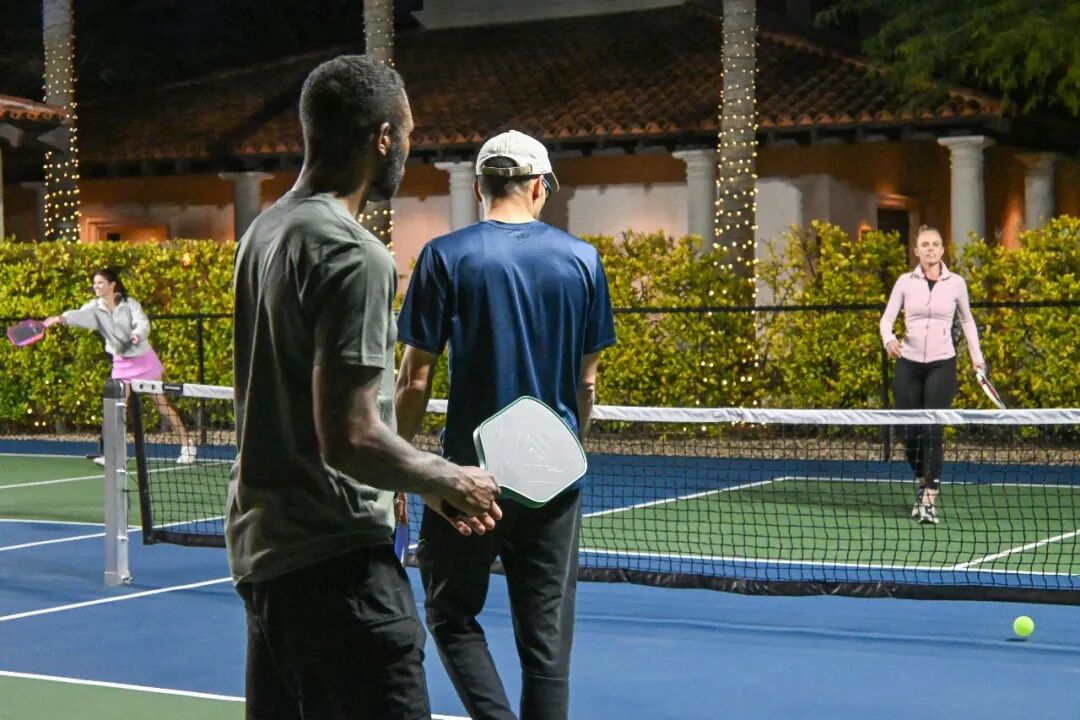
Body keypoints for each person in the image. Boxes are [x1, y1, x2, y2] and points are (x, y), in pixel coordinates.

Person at [227, 55, 501, 720]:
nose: (409, 147)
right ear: (382, 138)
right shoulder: (352, 252)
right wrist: (447, 478)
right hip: (339, 568)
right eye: (407, 134)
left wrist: (414, 480)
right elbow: (349, 436)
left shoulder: (264, 233)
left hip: (268, 562)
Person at [395, 129, 617, 720]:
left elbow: (413, 379)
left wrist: (401, 469)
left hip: (466, 480)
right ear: (539, 187)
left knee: (450, 613)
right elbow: (586, 385)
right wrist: (566, 450)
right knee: (547, 648)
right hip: (554, 481)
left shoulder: (444, 255)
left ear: (478, 188)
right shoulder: (583, 260)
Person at [880, 226, 986, 525]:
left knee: (933, 430)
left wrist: (977, 357)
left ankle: (928, 497)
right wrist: (889, 340)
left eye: (935, 244)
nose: (930, 249)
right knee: (908, 432)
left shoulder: (956, 283)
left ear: (942, 249)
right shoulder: (905, 282)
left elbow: (967, 320)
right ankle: (922, 477)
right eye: (925, 244)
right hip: (909, 363)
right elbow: (887, 319)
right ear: (916, 251)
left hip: (942, 364)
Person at [44, 267, 196, 465]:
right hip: (121, 364)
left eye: (100, 283)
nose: (96, 286)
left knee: (161, 404)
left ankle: (187, 445)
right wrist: (60, 318)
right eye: (94, 283)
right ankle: (114, 454)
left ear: (112, 285)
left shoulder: (130, 304)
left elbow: (142, 323)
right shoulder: (94, 308)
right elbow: (79, 316)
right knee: (117, 408)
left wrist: (137, 334)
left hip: (143, 359)